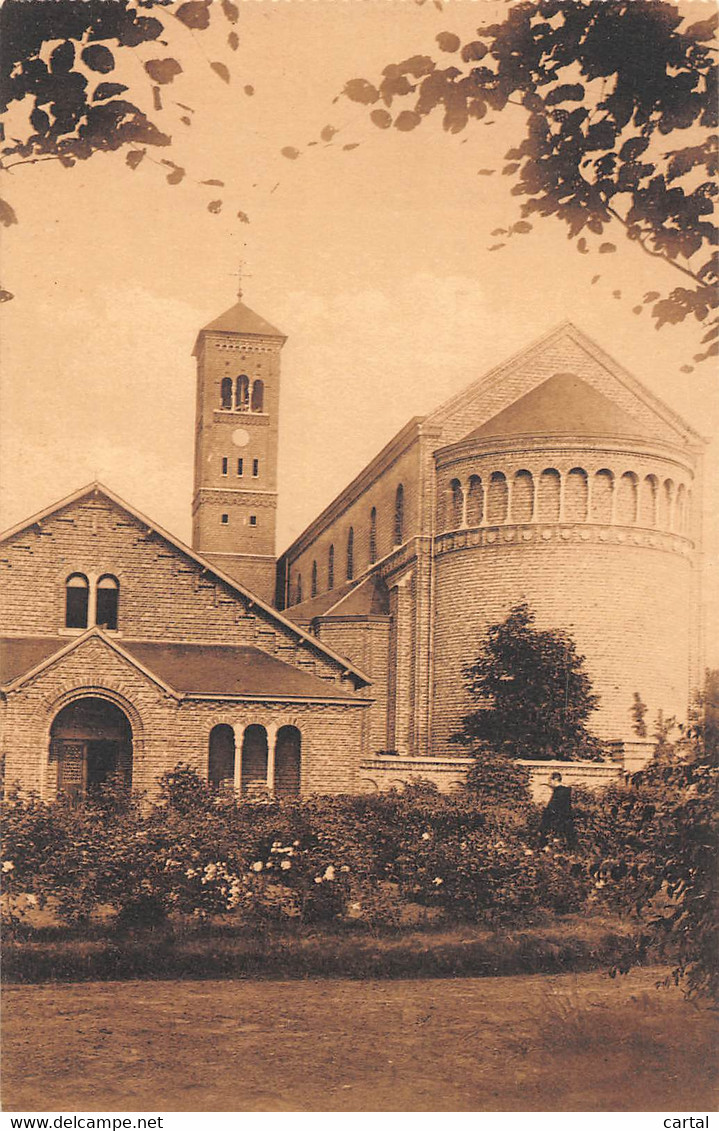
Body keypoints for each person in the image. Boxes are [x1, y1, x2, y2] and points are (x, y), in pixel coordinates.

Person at [539, 771, 577, 848]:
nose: (549, 782)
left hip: (557, 821)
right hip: (564, 820)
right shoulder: (564, 791)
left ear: (555, 779)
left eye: (550, 780)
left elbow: (554, 808)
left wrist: (547, 814)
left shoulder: (560, 792)